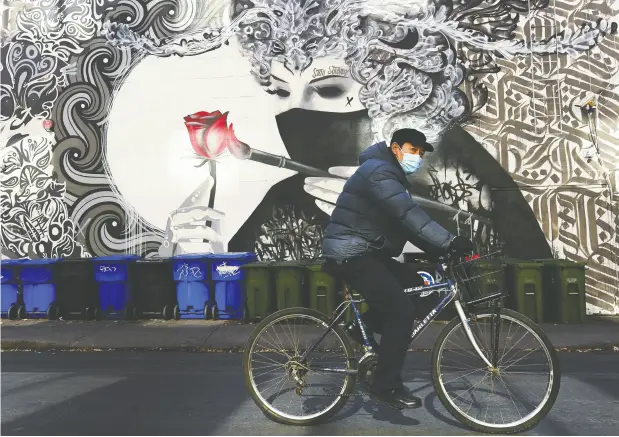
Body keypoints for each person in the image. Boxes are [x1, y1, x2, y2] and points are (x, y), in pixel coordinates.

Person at [322, 128, 475, 409]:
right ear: (395, 148)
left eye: (420, 152)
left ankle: (362, 326)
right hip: (352, 252)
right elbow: (408, 214)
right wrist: (449, 240)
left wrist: (442, 249)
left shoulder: (389, 174)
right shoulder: (379, 172)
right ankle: (385, 386)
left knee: (415, 284)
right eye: (412, 149)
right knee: (400, 312)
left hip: (367, 250)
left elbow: (404, 222)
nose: (416, 156)